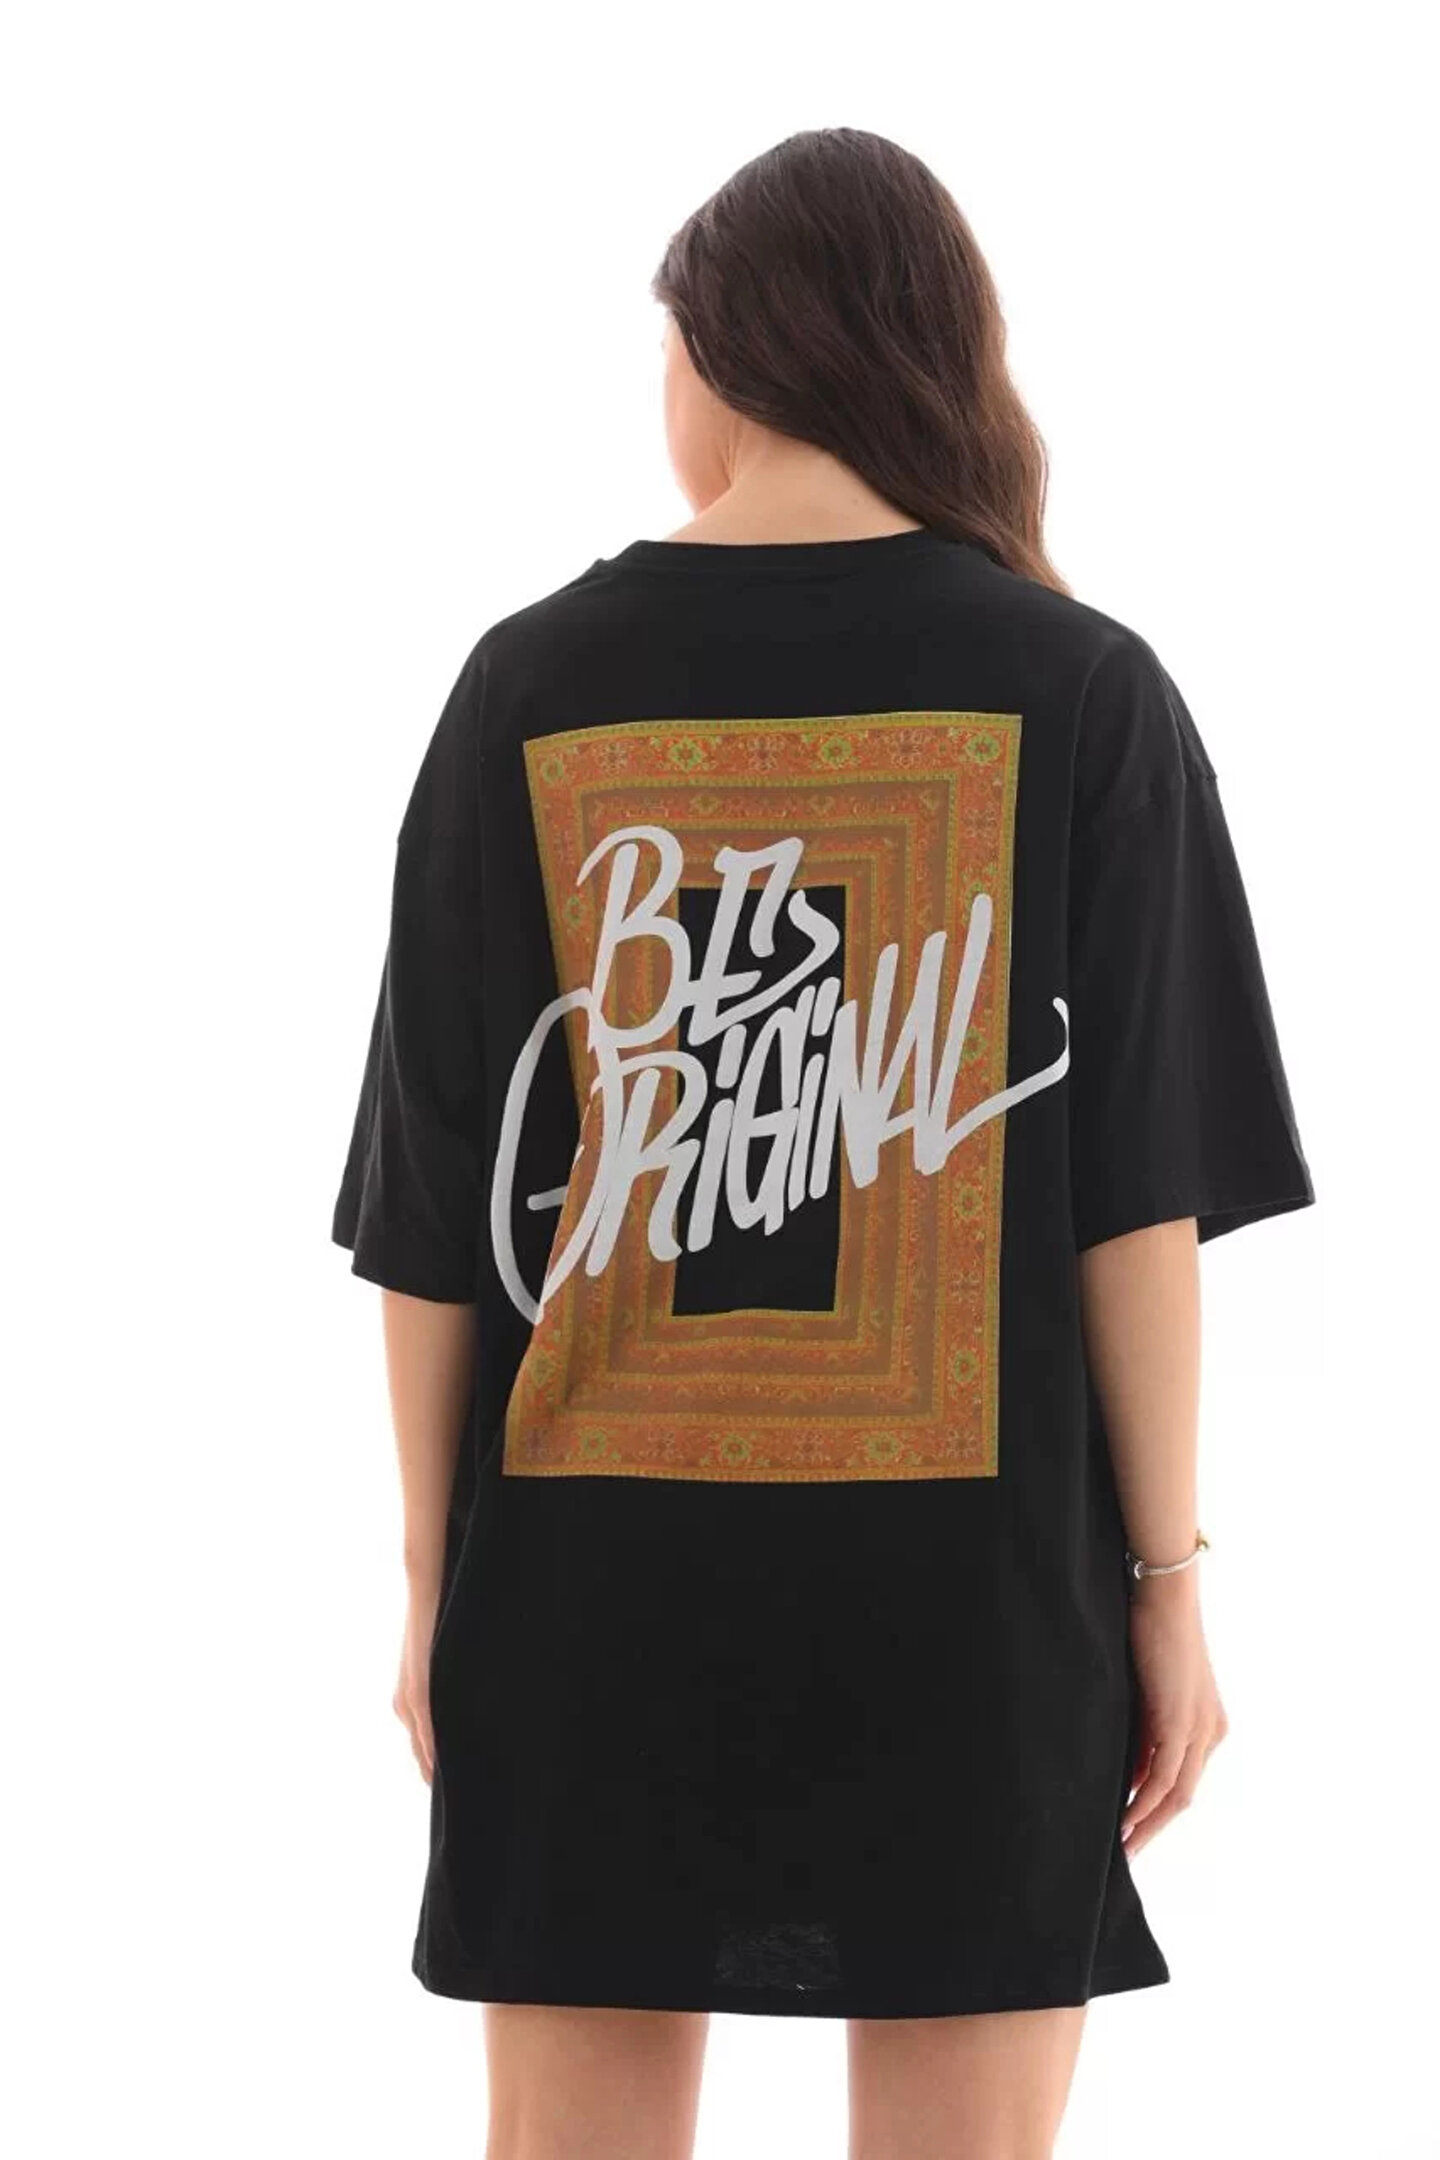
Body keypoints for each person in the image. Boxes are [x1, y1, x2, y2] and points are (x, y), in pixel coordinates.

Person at [332, 127, 1313, 2160]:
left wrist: (434, 1582)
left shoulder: (530, 686)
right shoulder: (1083, 689)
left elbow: (435, 1209)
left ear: (715, 349)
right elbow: (1137, 1203)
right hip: (977, 1607)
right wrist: (1167, 1580)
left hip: (589, 1593)